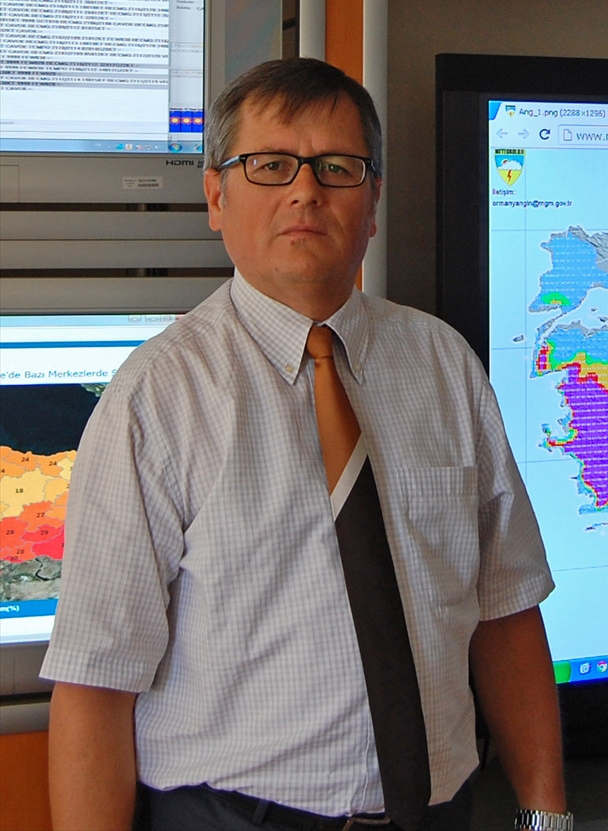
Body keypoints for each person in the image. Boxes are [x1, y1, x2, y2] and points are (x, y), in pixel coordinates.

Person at [41, 58, 569, 831]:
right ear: (216, 196)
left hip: (440, 810)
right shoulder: (156, 397)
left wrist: (546, 816)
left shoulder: (444, 364)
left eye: (337, 167)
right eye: (270, 165)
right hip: (230, 816)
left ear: (374, 201)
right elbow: (96, 681)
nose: (305, 191)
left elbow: (506, 609)